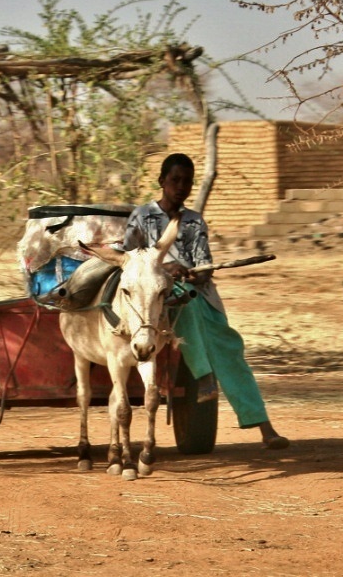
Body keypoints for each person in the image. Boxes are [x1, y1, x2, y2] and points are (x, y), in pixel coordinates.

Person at [123, 153, 289, 450]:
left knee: (229, 347)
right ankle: (203, 377)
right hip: (155, 294)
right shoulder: (141, 217)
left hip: (197, 293)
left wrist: (193, 273)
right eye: (175, 180)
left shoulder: (194, 221)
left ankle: (264, 425)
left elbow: (204, 265)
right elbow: (129, 261)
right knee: (184, 303)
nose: (181, 187)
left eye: (187, 182)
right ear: (162, 181)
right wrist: (165, 270)